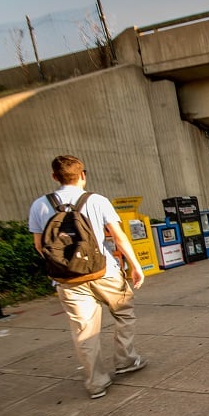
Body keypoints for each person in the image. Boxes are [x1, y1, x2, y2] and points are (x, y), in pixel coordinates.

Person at [28, 155, 148, 399]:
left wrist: (65, 265)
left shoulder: (39, 205)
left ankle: (96, 382)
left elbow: (40, 245)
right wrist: (136, 266)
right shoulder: (97, 201)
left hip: (67, 280)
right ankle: (126, 360)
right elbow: (118, 237)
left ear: (54, 177)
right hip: (104, 271)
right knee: (123, 313)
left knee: (84, 329)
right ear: (82, 174)